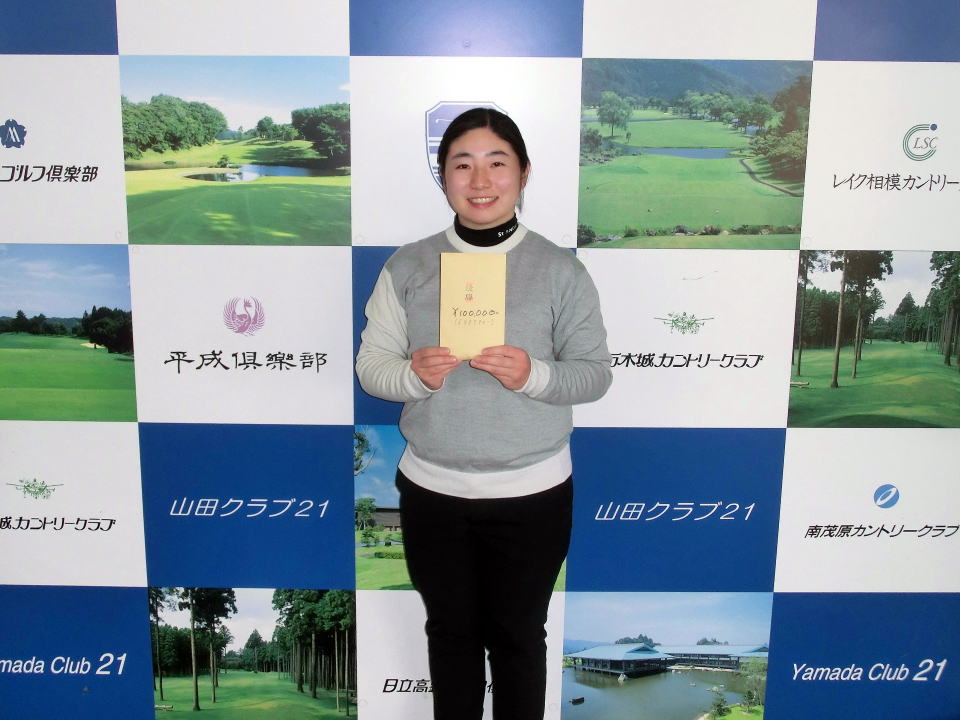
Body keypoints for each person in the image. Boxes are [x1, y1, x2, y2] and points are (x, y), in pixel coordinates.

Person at [356, 107, 612, 720]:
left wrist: (534, 375)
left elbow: (595, 373)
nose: (479, 181)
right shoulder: (408, 265)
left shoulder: (560, 269)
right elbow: (372, 368)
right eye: (461, 165)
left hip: (533, 494)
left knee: (519, 640)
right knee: (451, 637)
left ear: (524, 173)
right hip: (433, 493)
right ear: (443, 176)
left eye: (497, 163)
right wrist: (413, 376)